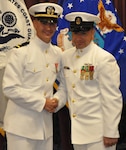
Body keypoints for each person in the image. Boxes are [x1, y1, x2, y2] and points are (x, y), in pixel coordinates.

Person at [54, 12, 123, 150]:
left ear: (92, 32)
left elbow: (112, 98)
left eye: (84, 33)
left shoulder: (103, 59)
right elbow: (64, 88)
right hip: (78, 133)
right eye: (76, 33)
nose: (79, 38)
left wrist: (111, 131)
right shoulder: (66, 57)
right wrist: (55, 102)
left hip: (100, 135)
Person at [2, 3, 64, 150]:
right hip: (21, 128)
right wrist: (42, 102)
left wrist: (57, 101)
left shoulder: (58, 54)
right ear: (35, 23)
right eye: (44, 23)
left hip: (45, 128)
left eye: (52, 23)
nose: (48, 28)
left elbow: (66, 85)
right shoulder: (20, 53)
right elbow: (9, 88)